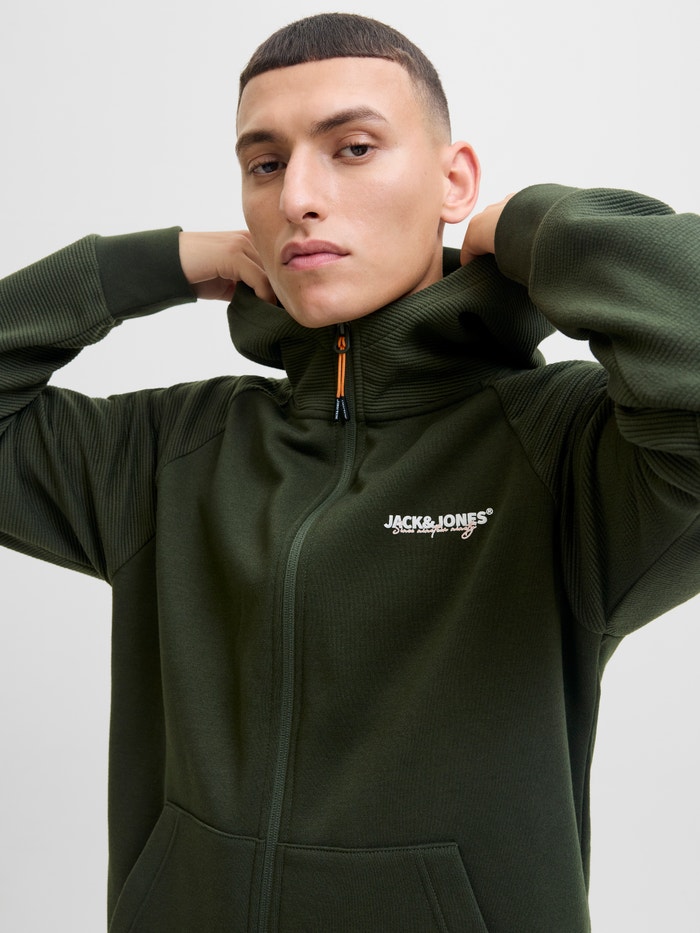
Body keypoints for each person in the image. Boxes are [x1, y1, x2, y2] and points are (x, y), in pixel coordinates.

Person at [0, 10, 698, 932]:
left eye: (354, 148)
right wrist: (154, 264)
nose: (298, 196)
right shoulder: (171, 451)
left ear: (453, 179)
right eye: (264, 164)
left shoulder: (561, 450)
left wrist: (531, 227)